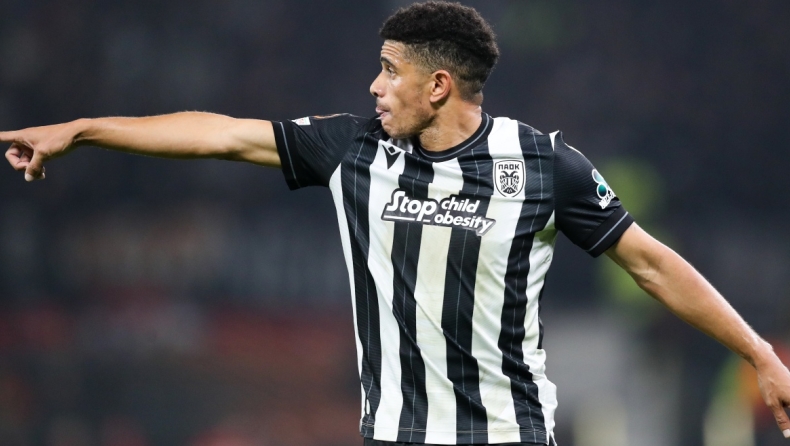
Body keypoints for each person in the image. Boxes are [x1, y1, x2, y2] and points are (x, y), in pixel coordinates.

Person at [2, 1, 789, 445]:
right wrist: (83, 130)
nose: (374, 86)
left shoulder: (544, 164)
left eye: (389, 70)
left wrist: (758, 354)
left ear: (438, 84)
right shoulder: (354, 148)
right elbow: (221, 134)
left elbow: (651, 263)